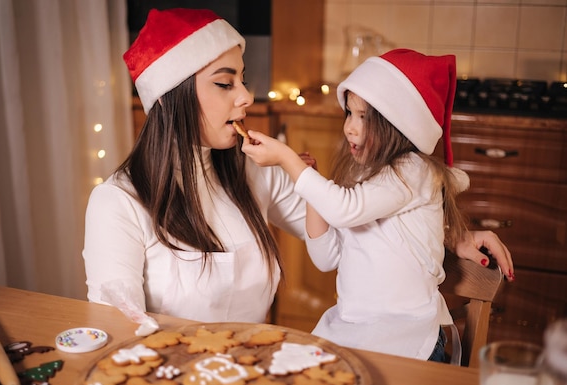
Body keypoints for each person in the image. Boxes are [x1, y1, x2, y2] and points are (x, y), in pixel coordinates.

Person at [83, 9, 513, 331]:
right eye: (224, 83)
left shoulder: (254, 172)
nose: (246, 97)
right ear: (170, 96)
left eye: (243, 80)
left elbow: (352, 228)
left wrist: (447, 233)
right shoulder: (117, 203)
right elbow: (120, 331)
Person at [241, 49, 514, 361]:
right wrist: (311, 193)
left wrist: (288, 160)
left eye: (364, 117)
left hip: (407, 335)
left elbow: (345, 208)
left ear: (401, 125)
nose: (349, 128)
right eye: (349, 114)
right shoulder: (361, 178)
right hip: (354, 331)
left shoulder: (414, 171)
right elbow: (326, 257)